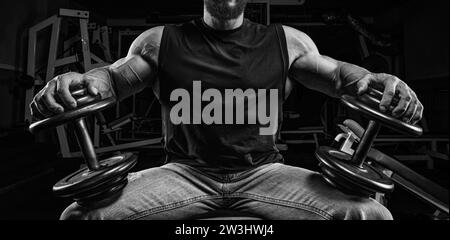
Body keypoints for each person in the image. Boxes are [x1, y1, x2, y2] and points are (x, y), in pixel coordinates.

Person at [30, 0, 423, 220]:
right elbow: (113, 80)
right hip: (184, 174)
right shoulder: (160, 40)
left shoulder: (286, 42)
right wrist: (82, 82)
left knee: (371, 215)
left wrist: (377, 79)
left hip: (265, 173)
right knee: (81, 217)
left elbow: (340, 76)